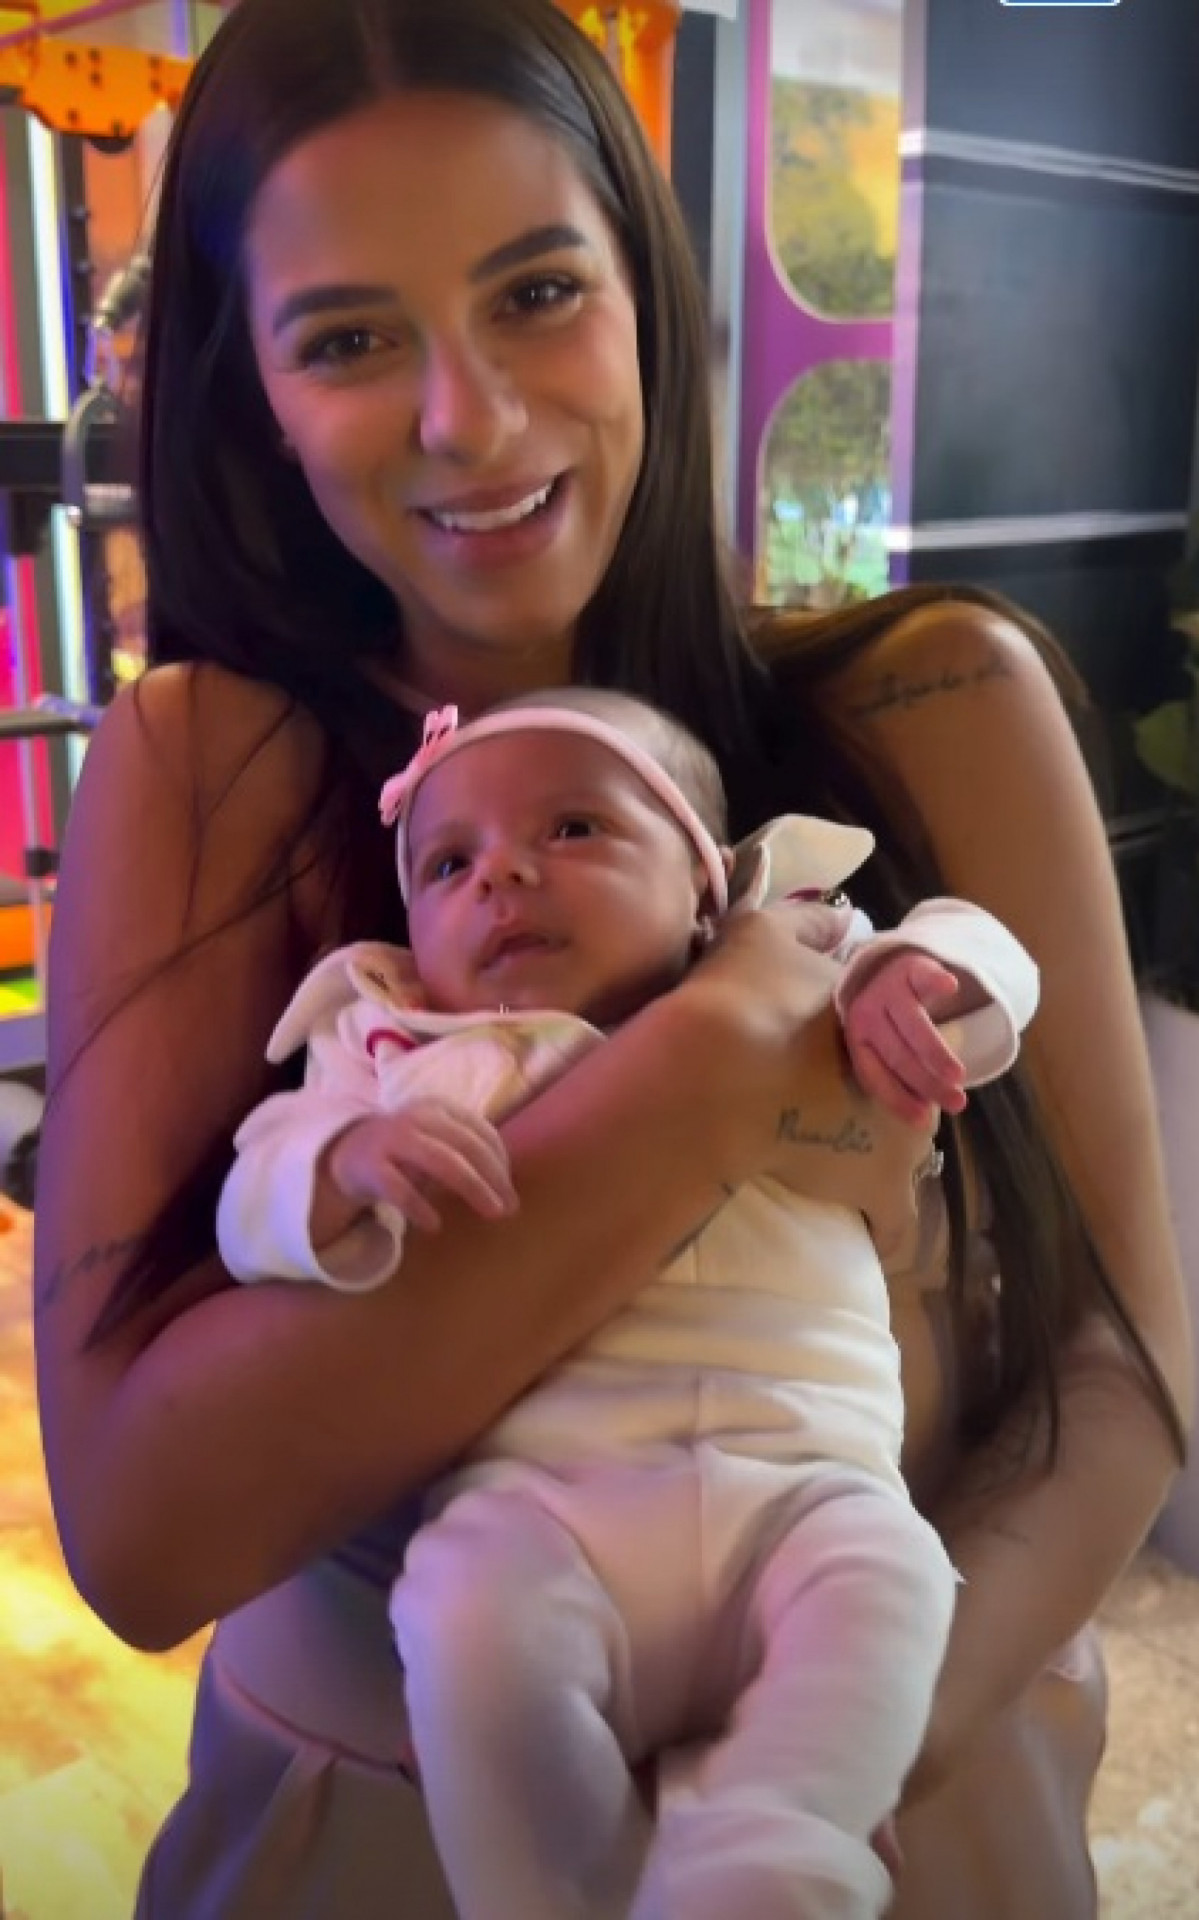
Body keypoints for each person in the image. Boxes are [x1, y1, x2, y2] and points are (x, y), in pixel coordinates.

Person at [30, 0, 1190, 1916]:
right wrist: (711, 1061)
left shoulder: (935, 708)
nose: (467, 419)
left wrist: (789, 1810)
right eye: (348, 339)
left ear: (649, 293)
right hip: (382, 1845)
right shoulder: (213, 769)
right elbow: (148, 1537)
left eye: (536, 293)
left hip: (892, 1820)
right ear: (254, 396)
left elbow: (1119, 1374)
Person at [215, 685, 1037, 1917]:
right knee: (458, 1609)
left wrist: (919, 981)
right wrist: (336, 1166)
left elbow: (990, 951)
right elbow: (252, 1190)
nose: (501, 877)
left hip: (805, 1476)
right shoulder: (388, 1041)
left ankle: (768, 1857)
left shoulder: (798, 967)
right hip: (547, 1501)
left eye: (571, 830)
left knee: (895, 1584)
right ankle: (556, 1889)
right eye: (448, 864)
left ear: (707, 886)